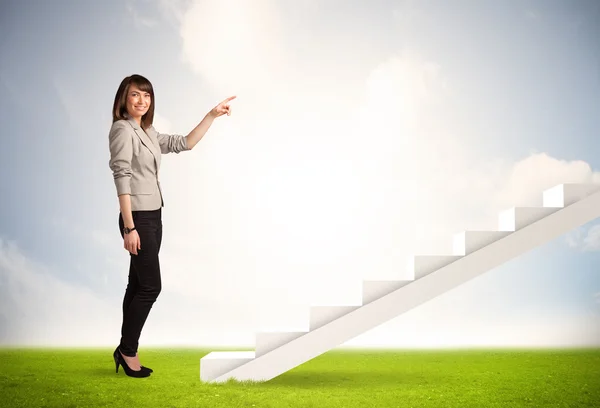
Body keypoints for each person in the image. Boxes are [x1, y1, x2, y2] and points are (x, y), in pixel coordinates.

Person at [108, 74, 235, 378]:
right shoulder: (123, 130)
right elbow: (121, 177)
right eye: (136, 95)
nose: (142, 101)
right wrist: (129, 228)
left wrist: (211, 115)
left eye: (147, 96)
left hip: (154, 215)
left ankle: (125, 348)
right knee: (151, 287)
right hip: (137, 218)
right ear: (124, 98)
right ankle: (128, 350)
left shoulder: (148, 131)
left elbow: (185, 143)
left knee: (137, 284)